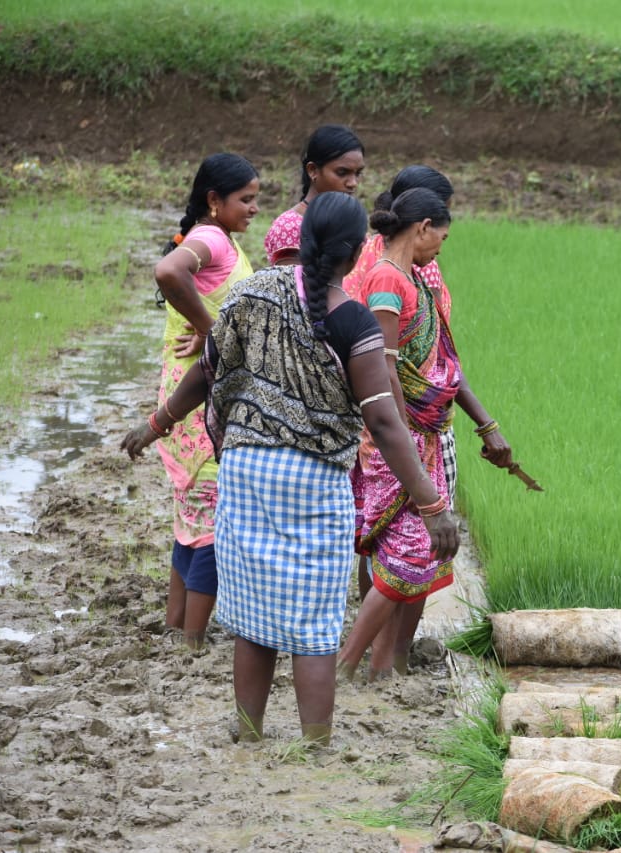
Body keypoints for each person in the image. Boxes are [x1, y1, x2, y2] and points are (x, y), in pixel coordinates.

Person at [122, 192, 457, 746]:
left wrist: (155, 423)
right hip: (315, 480)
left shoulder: (251, 294)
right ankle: (315, 745)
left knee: (251, 620)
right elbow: (387, 425)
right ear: (353, 256)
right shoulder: (351, 319)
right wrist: (431, 504)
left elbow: (207, 372)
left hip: (246, 473)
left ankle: (249, 732)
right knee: (315, 624)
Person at [343, 167, 513, 676]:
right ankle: (350, 665)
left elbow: (436, 361)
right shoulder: (386, 280)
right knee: (409, 551)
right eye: (442, 233)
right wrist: (408, 440)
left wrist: (478, 425)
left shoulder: (412, 276)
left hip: (420, 432)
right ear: (421, 227)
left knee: (413, 552)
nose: (443, 244)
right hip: (398, 436)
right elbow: (385, 370)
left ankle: (380, 668)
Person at [151, 152, 259, 650]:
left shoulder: (219, 238)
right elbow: (169, 272)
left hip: (192, 395)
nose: (254, 208)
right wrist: (210, 329)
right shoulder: (211, 238)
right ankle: (192, 640)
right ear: (214, 201)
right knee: (215, 524)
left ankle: (178, 624)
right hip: (201, 404)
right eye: (246, 199)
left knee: (193, 519)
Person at [263, 124, 365, 266]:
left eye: (358, 173)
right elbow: (291, 286)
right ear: (313, 170)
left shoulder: (351, 222)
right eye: (342, 173)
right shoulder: (291, 227)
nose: (353, 183)